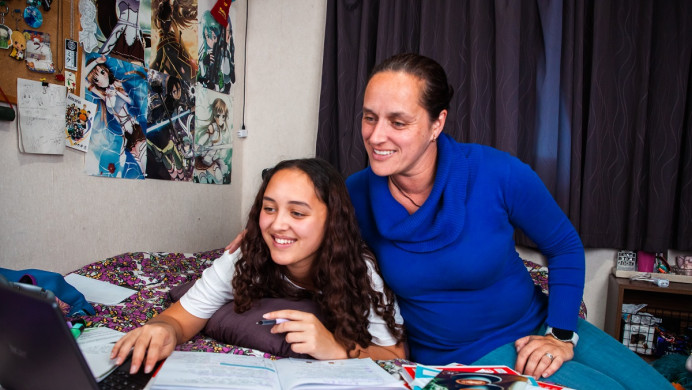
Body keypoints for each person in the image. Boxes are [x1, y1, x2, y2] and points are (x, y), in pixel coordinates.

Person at [342, 52, 674, 390]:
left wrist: (560, 335)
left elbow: (564, 245)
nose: (376, 136)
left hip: (540, 324)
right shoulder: (354, 195)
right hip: (463, 357)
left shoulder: (497, 172)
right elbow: (311, 255)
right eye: (370, 118)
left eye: (398, 122)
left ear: (436, 124)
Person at [111, 158, 406, 375]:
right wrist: (164, 330)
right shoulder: (246, 255)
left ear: (332, 221)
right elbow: (179, 318)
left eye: (297, 213)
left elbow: (395, 355)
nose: (278, 225)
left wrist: (339, 349)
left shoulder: (360, 271)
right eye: (269, 208)